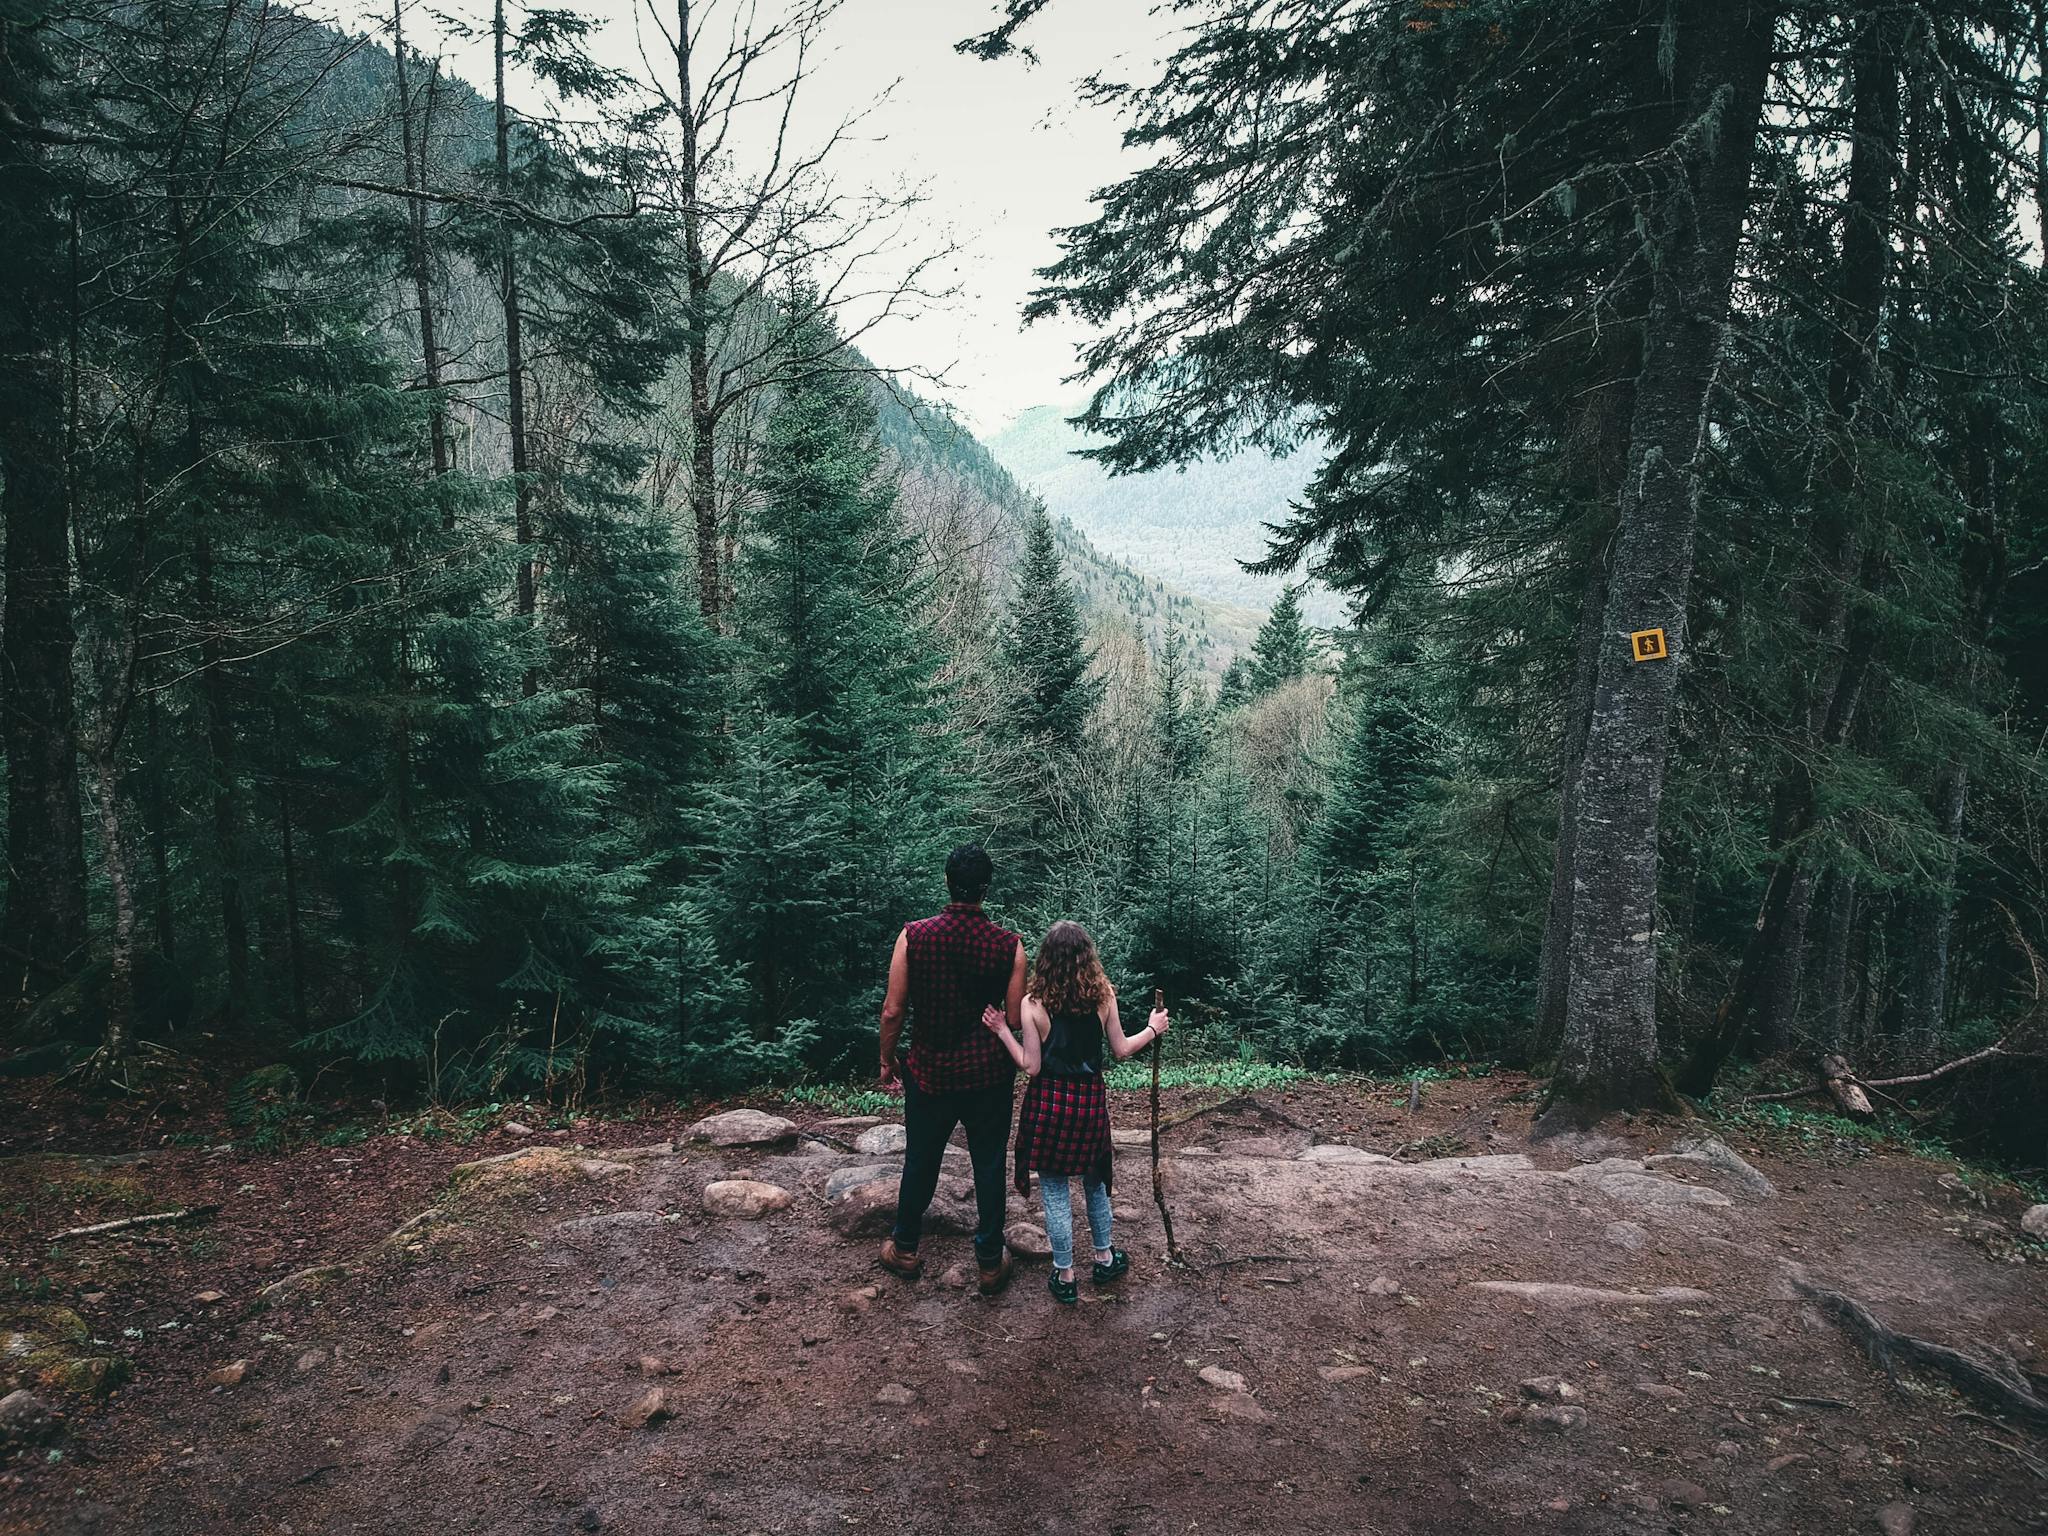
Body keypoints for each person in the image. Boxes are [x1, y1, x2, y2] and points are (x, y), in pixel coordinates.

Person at [983, 920, 1170, 1304]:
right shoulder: (1103, 997)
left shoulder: (1032, 1004)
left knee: (1053, 1190)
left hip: (1048, 1104)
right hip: (1088, 1104)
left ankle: (1065, 1275)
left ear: (1046, 960)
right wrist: (1153, 1029)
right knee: (1095, 1182)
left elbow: (1031, 1067)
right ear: (1088, 958)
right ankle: (1104, 1259)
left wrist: (1003, 1030)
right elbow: (1121, 1049)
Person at [876, 844, 1027, 1295]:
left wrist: (888, 1060)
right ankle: (987, 1262)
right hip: (988, 1076)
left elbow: (892, 1010)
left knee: (921, 1159)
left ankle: (904, 1248)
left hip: (930, 1072)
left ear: (947, 882)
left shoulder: (913, 936)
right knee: (988, 1163)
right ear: (986, 889)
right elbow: (1016, 1021)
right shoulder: (1010, 946)